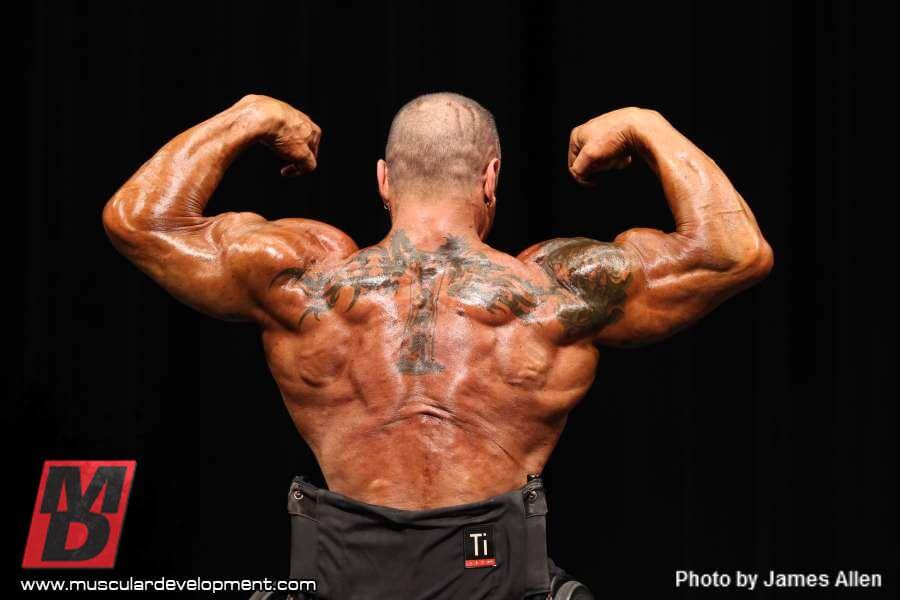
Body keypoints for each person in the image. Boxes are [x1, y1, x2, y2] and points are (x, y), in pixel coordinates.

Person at [103, 92, 773, 599]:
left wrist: (249, 116)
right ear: (490, 178)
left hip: (341, 580)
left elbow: (139, 220)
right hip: (496, 580)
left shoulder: (306, 282)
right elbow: (733, 254)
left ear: (383, 180)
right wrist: (646, 125)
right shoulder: (552, 292)